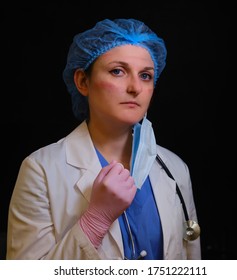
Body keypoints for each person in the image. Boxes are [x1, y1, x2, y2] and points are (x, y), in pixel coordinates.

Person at [6, 18, 201, 260]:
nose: (135, 87)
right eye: (117, 71)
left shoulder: (175, 168)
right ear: (83, 81)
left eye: (146, 76)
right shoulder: (41, 170)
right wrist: (95, 221)